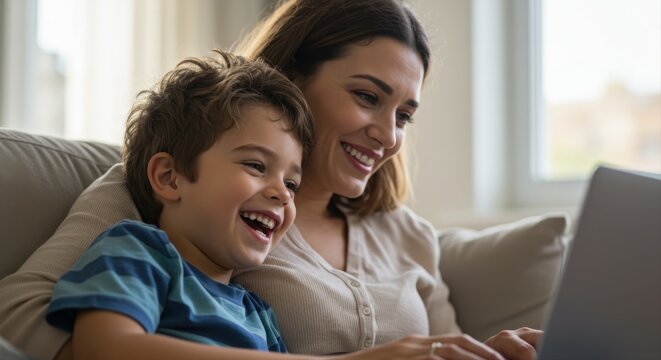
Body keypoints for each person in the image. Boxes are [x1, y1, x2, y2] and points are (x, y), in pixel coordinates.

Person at [0, 1, 541, 359]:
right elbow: (22, 317)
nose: (388, 135)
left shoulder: (408, 235)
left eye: (403, 115)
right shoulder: (183, 198)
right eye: (367, 97)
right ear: (293, 79)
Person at [44, 50, 318, 358]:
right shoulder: (138, 253)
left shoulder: (259, 315)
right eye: (256, 165)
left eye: (291, 184)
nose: (282, 194)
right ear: (170, 178)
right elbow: (105, 348)